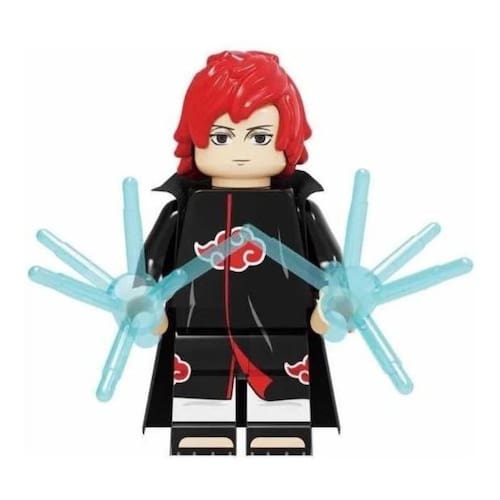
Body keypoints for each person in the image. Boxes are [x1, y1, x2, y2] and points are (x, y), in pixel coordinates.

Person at [143, 51, 341, 455]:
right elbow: (147, 268)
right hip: (196, 331)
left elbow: (334, 270)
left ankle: (281, 433)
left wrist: (337, 299)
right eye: (220, 137)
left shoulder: (297, 209)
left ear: (287, 140)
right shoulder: (183, 210)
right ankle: (202, 433)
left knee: (282, 418)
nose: (239, 150)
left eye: (260, 137)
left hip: (283, 332)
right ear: (195, 138)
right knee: (200, 416)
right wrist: (143, 301)